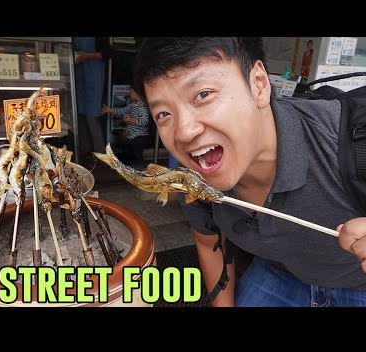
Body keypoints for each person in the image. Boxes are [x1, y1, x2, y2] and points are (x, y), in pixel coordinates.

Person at [132, 37, 366, 307]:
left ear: (258, 84)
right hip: (280, 273)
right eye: (163, 114)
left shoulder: (349, 142)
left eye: (203, 95)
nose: (184, 132)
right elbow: (209, 244)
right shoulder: (194, 178)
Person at [73, 37, 113, 166]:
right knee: (78, 115)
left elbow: (108, 53)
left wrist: (87, 56)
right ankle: (84, 151)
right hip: (78, 75)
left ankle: (101, 155)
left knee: (92, 116)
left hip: (93, 74)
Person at [101, 87, 150, 169]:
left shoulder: (142, 107)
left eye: (131, 91)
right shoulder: (132, 105)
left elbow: (145, 121)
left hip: (139, 137)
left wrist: (131, 121)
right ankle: (132, 170)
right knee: (131, 154)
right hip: (131, 136)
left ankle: (145, 171)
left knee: (137, 156)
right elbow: (122, 110)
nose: (129, 92)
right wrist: (109, 110)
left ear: (138, 94)